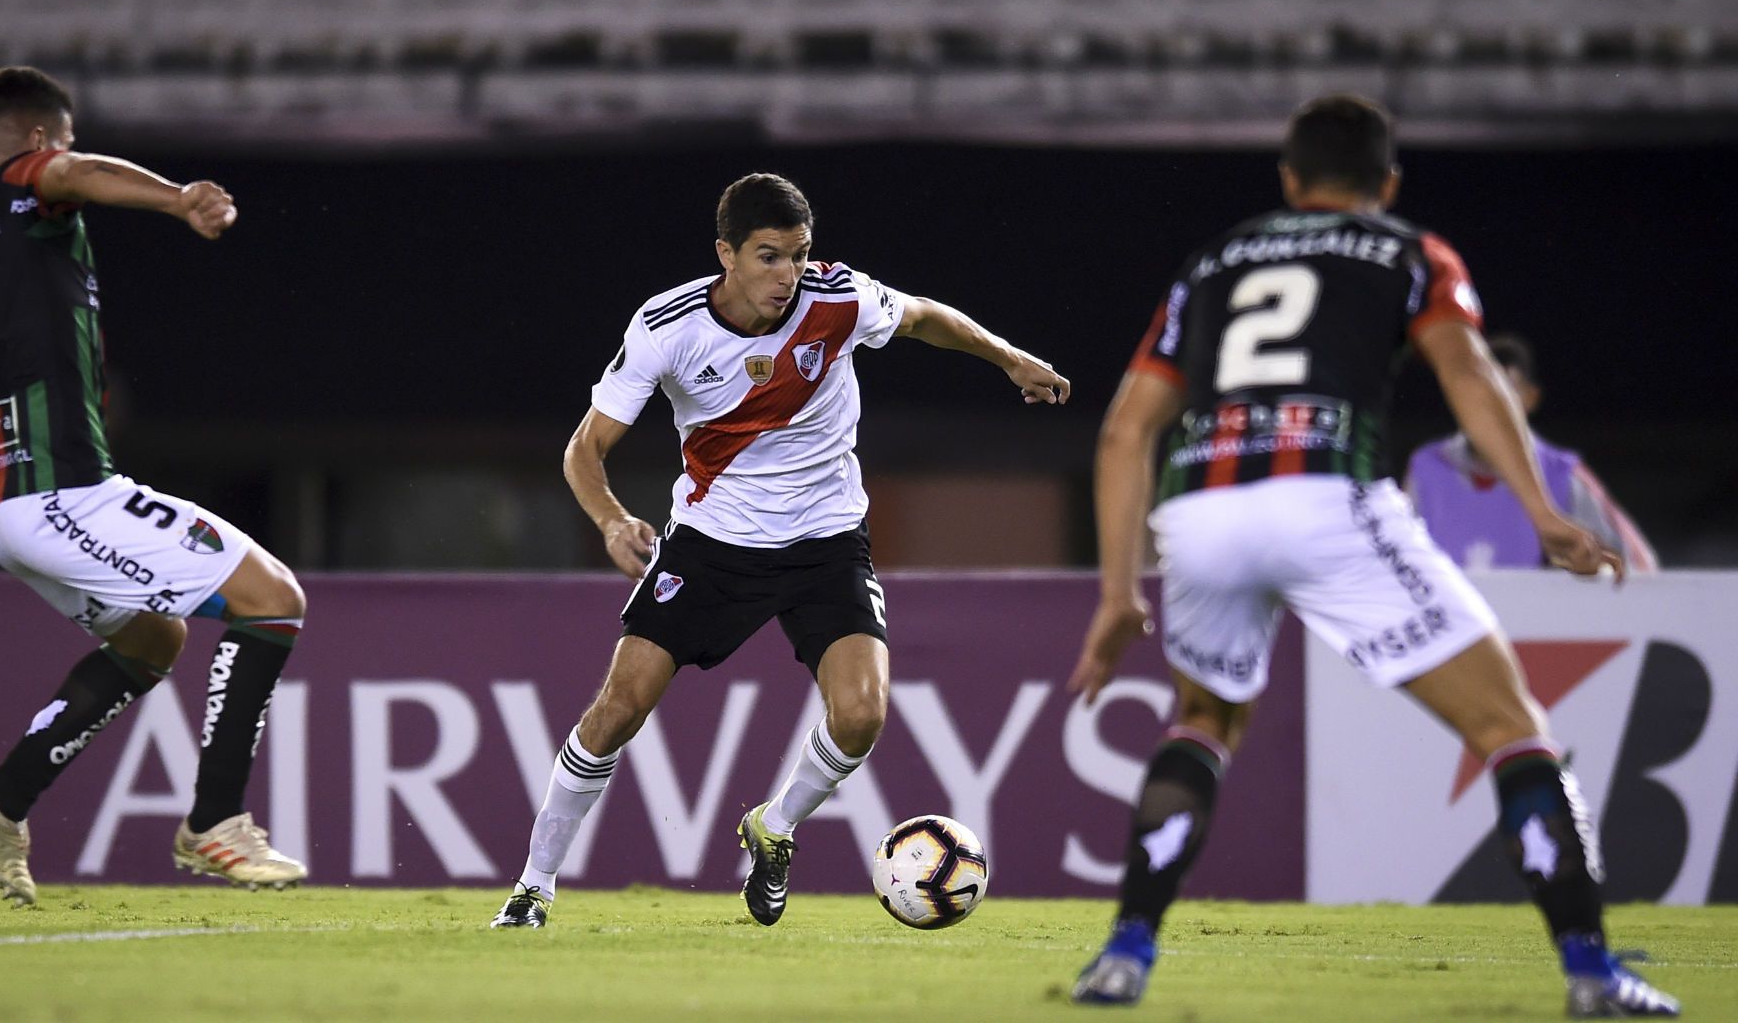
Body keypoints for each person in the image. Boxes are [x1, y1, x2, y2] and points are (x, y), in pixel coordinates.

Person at [1063, 95, 1678, 1017]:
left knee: (1203, 722)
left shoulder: (1214, 263)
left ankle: (1123, 956)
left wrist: (1117, 592)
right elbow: (1467, 372)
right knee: (1510, 728)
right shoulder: (1409, 250)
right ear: (1388, 184)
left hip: (1201, 507)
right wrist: (1543, 511)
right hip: (1326, 495)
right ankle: (1592, 974)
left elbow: (1123, 433)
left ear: (1287, 180)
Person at [490, 172, 1070, 929]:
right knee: (618, 709)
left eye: (798, 255)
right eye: (768, 257)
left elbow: (927, 318)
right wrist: (610, 521)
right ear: (725, 254)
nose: (787, 275)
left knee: (861, 714)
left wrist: (1010, 358)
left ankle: (777, 826)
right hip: (712, 544)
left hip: (827, 542)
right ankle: (534, 887)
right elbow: (584, 449)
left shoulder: (838, 298)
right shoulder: (666, 327)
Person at [0, 66, 308, 906]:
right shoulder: (28, 179)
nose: (66, 159)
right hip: (63, 493)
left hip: (4, 509)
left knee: (154, 639)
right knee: (272, 599)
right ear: (42, 140)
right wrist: (178, 197)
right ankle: (214, 822)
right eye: (63, 145)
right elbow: (73, 176)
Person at [1405, 333, 1658, 572]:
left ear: (1530, 398)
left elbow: (1639, 564)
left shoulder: (1563, 474)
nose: (1494, 409)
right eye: (1484, 397)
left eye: (1506, 395)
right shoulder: (1425, 468)